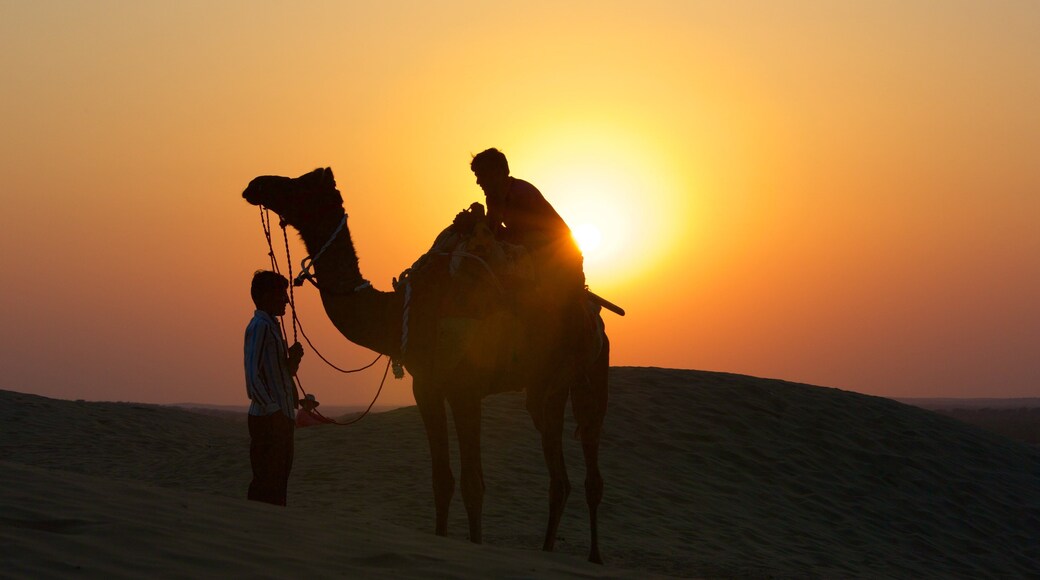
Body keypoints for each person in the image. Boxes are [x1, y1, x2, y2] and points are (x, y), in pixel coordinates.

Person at [470, 148, 587, 341]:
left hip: (561, 259)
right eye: (477, 176)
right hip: (531, 255)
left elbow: (528, 238)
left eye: (481, 175)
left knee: (556, 312)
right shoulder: (494, 198)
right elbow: (493, 233)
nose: (478, 181)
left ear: (498, 173)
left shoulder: (522, 194)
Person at [243, 270, 304, 506]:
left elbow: (278, 375)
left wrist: (292, 362)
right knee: (266, 484)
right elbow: (252, 377)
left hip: (282, 417)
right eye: (281, 294)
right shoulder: (260, 326)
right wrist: (273, 410)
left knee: (279, 483)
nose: (286, 300)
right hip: (269, 420)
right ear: (267, 296)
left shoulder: (272, 326)